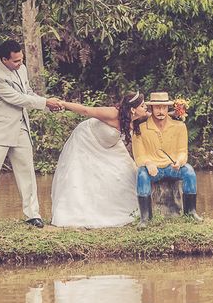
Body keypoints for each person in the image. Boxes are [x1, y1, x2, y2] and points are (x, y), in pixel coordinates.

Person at [0, 39, 61, 228]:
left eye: (21, 60)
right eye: (16, 61)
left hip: (20, 127)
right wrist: (45, 102)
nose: (20, 64)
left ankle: (32, 214)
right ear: (4, 59)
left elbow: (27, 92)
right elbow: (17, 98)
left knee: (26, 170)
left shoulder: (21, 69)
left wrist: (46, 106)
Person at [50, 92, 149, 228]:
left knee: (127, 170)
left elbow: (157, 116)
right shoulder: (113, 113)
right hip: (87, 139)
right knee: (83, 175)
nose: (146, 108)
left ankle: (134, 210)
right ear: (133, 108)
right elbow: (85, 110)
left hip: (111, 144)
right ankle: (79, 213)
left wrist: (175, 113)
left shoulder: (137, 116)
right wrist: (63, 104)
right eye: (143, 105)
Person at [132, 91, 202, 229]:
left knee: (189, 171)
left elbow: (183, 151)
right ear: (151, 109)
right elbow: (138, 156)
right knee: (141, 174)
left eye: (164, 107)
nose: (161, 111)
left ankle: (191, 212)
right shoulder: (140, 129)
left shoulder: (179, 126)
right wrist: (148, 163)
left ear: (168, 108)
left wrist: (180, 161)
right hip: (153, 169)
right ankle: (145, 217)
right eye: (157, 107)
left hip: (172, 167)